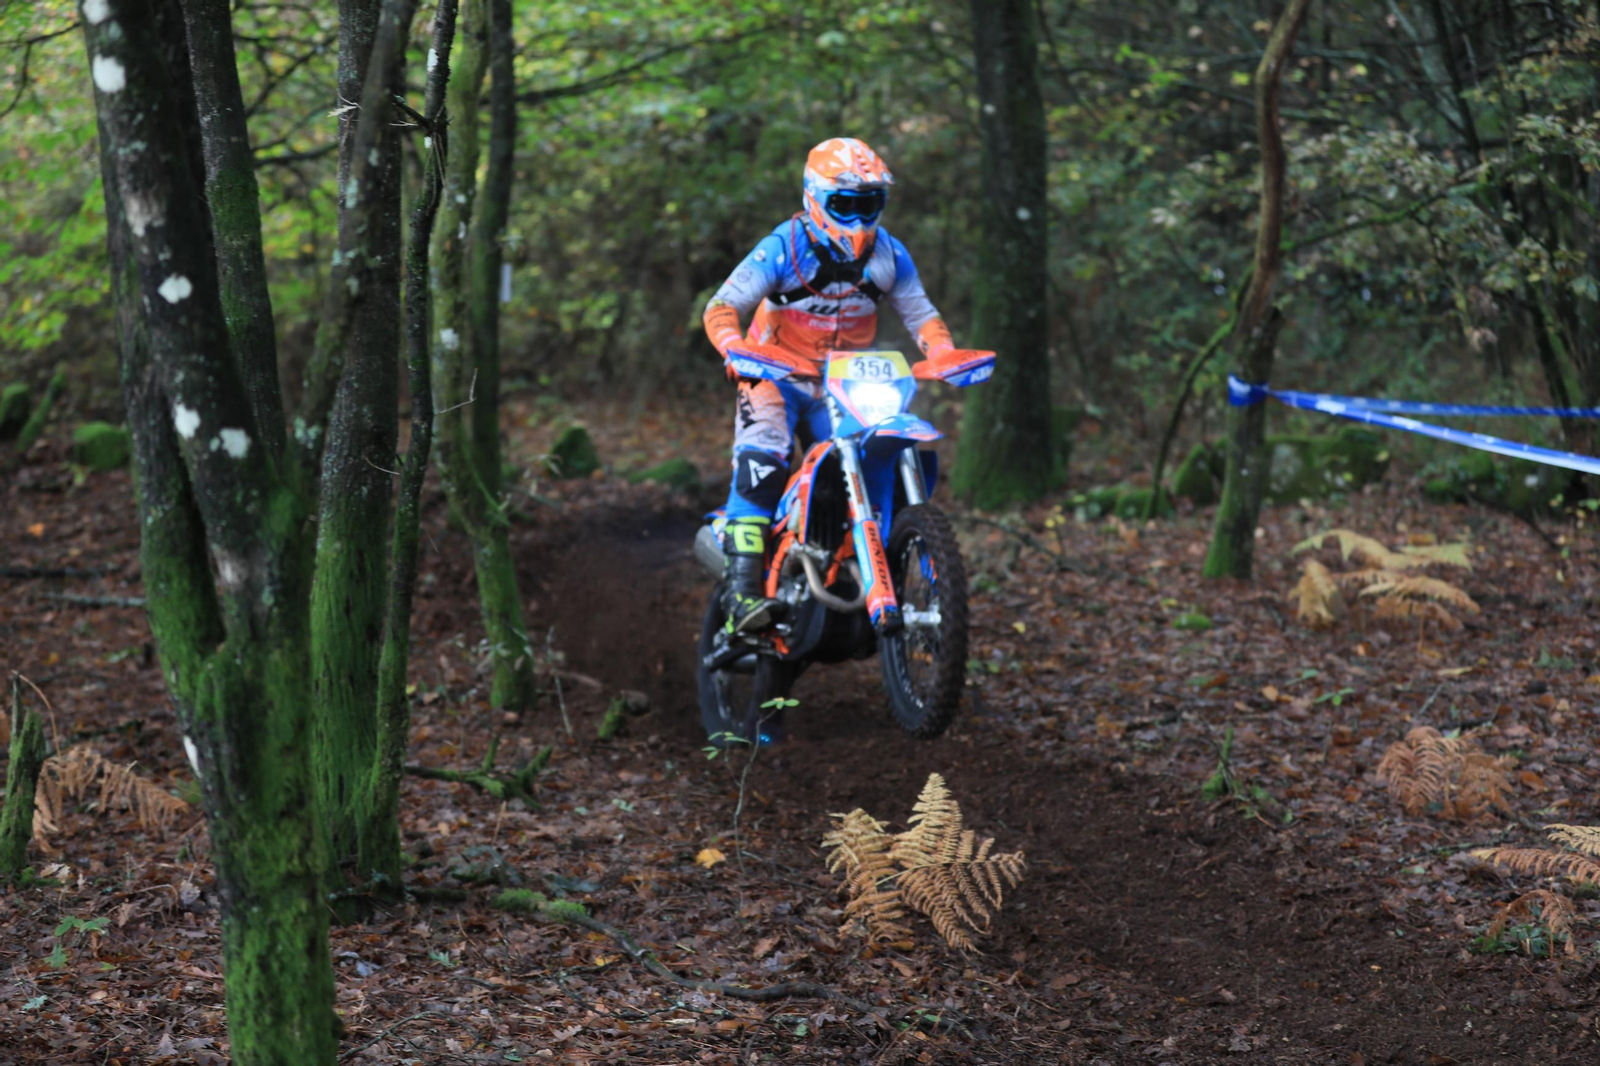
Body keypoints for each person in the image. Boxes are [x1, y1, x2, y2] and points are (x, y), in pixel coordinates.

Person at [702, 137, 958, 633]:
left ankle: (858, 564)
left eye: (870, 203)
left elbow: (921, 314)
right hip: (774, 376)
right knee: (762, 462)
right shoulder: (783, 247)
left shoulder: (889, 254)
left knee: (875, 459)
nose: (859, 218)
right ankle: (742, 593)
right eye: (845, 204)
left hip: (846, 384)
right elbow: (722, 305)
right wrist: (734, 346)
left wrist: (942, 352)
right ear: (815, 198)